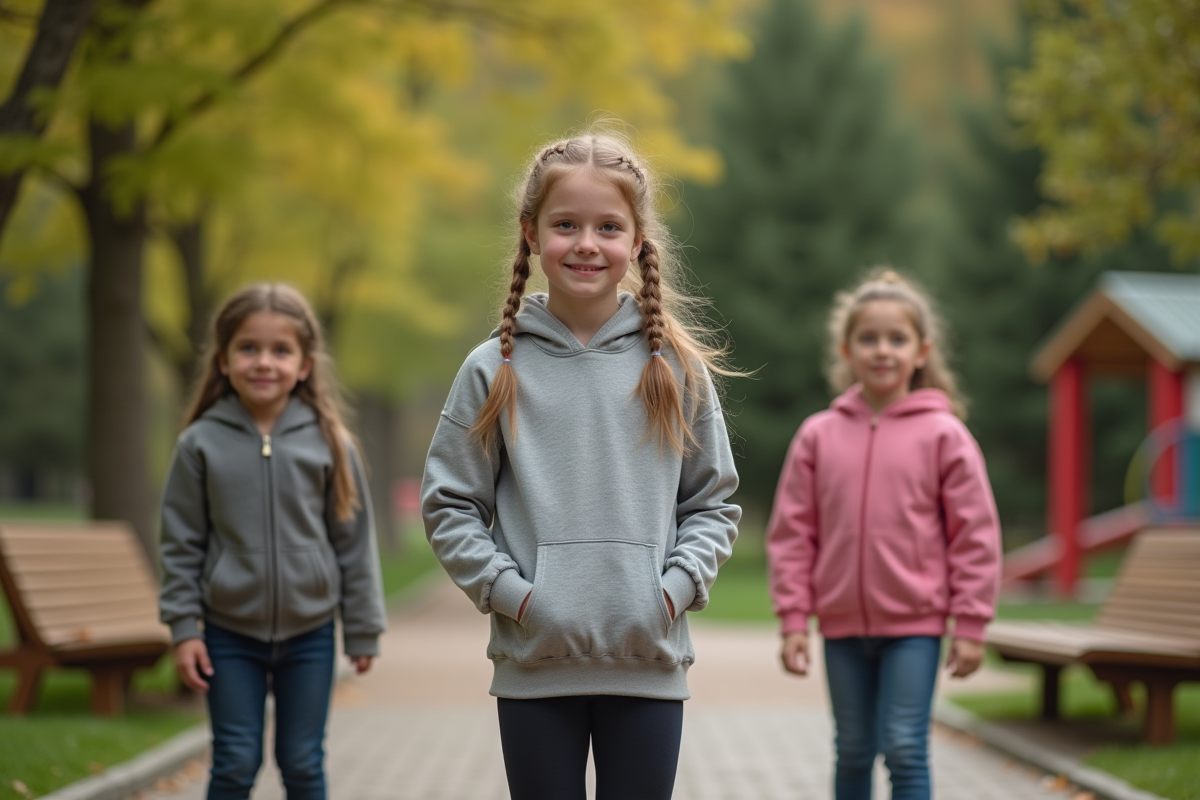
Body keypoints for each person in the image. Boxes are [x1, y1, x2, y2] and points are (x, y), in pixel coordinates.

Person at [420, 128, 742, 800]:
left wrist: (672, 591)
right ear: (532, 234)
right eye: (566, 224)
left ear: (637, 241)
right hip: (535, 664)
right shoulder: (492, 370)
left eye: (607, 226)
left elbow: (711, 504)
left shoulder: (676, 371)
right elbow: (450, 505)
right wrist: (516, 597)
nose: (586, 243)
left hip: (647, 662)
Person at [766, 269, 1001, 800]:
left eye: (897, 339)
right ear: (847, 350)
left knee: (903, 747)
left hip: (915, 627)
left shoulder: (945, 435)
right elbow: (792, 534)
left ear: (922, 351)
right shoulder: (818, 435)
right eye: (869, 339)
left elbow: (975, 536)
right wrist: (793, 619)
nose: (882, 351)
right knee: (851, 748)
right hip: (843, 627)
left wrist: (970, 624)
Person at [158, 283, 386, 800]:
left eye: (281, 350)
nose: (264, 362)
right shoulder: (200, 444)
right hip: (227, 634)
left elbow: (352, 543)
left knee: (303, 763)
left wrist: (364, 629)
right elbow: (181, 543)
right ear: (223, 360)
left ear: (305, 364)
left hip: (310, 635)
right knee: (235, 761)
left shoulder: (330, 443)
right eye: (248, 348)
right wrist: (183, 628)